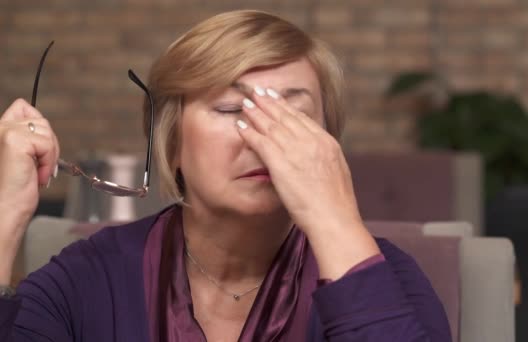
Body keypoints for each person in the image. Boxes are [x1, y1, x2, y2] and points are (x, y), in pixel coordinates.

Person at [0, 10, 451, 341]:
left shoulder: (390, 278)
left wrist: (333, 216)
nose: (260, 137)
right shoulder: (86, 278)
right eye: (233, 109)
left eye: (291, 116)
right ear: (172, 141)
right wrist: (5, 213)